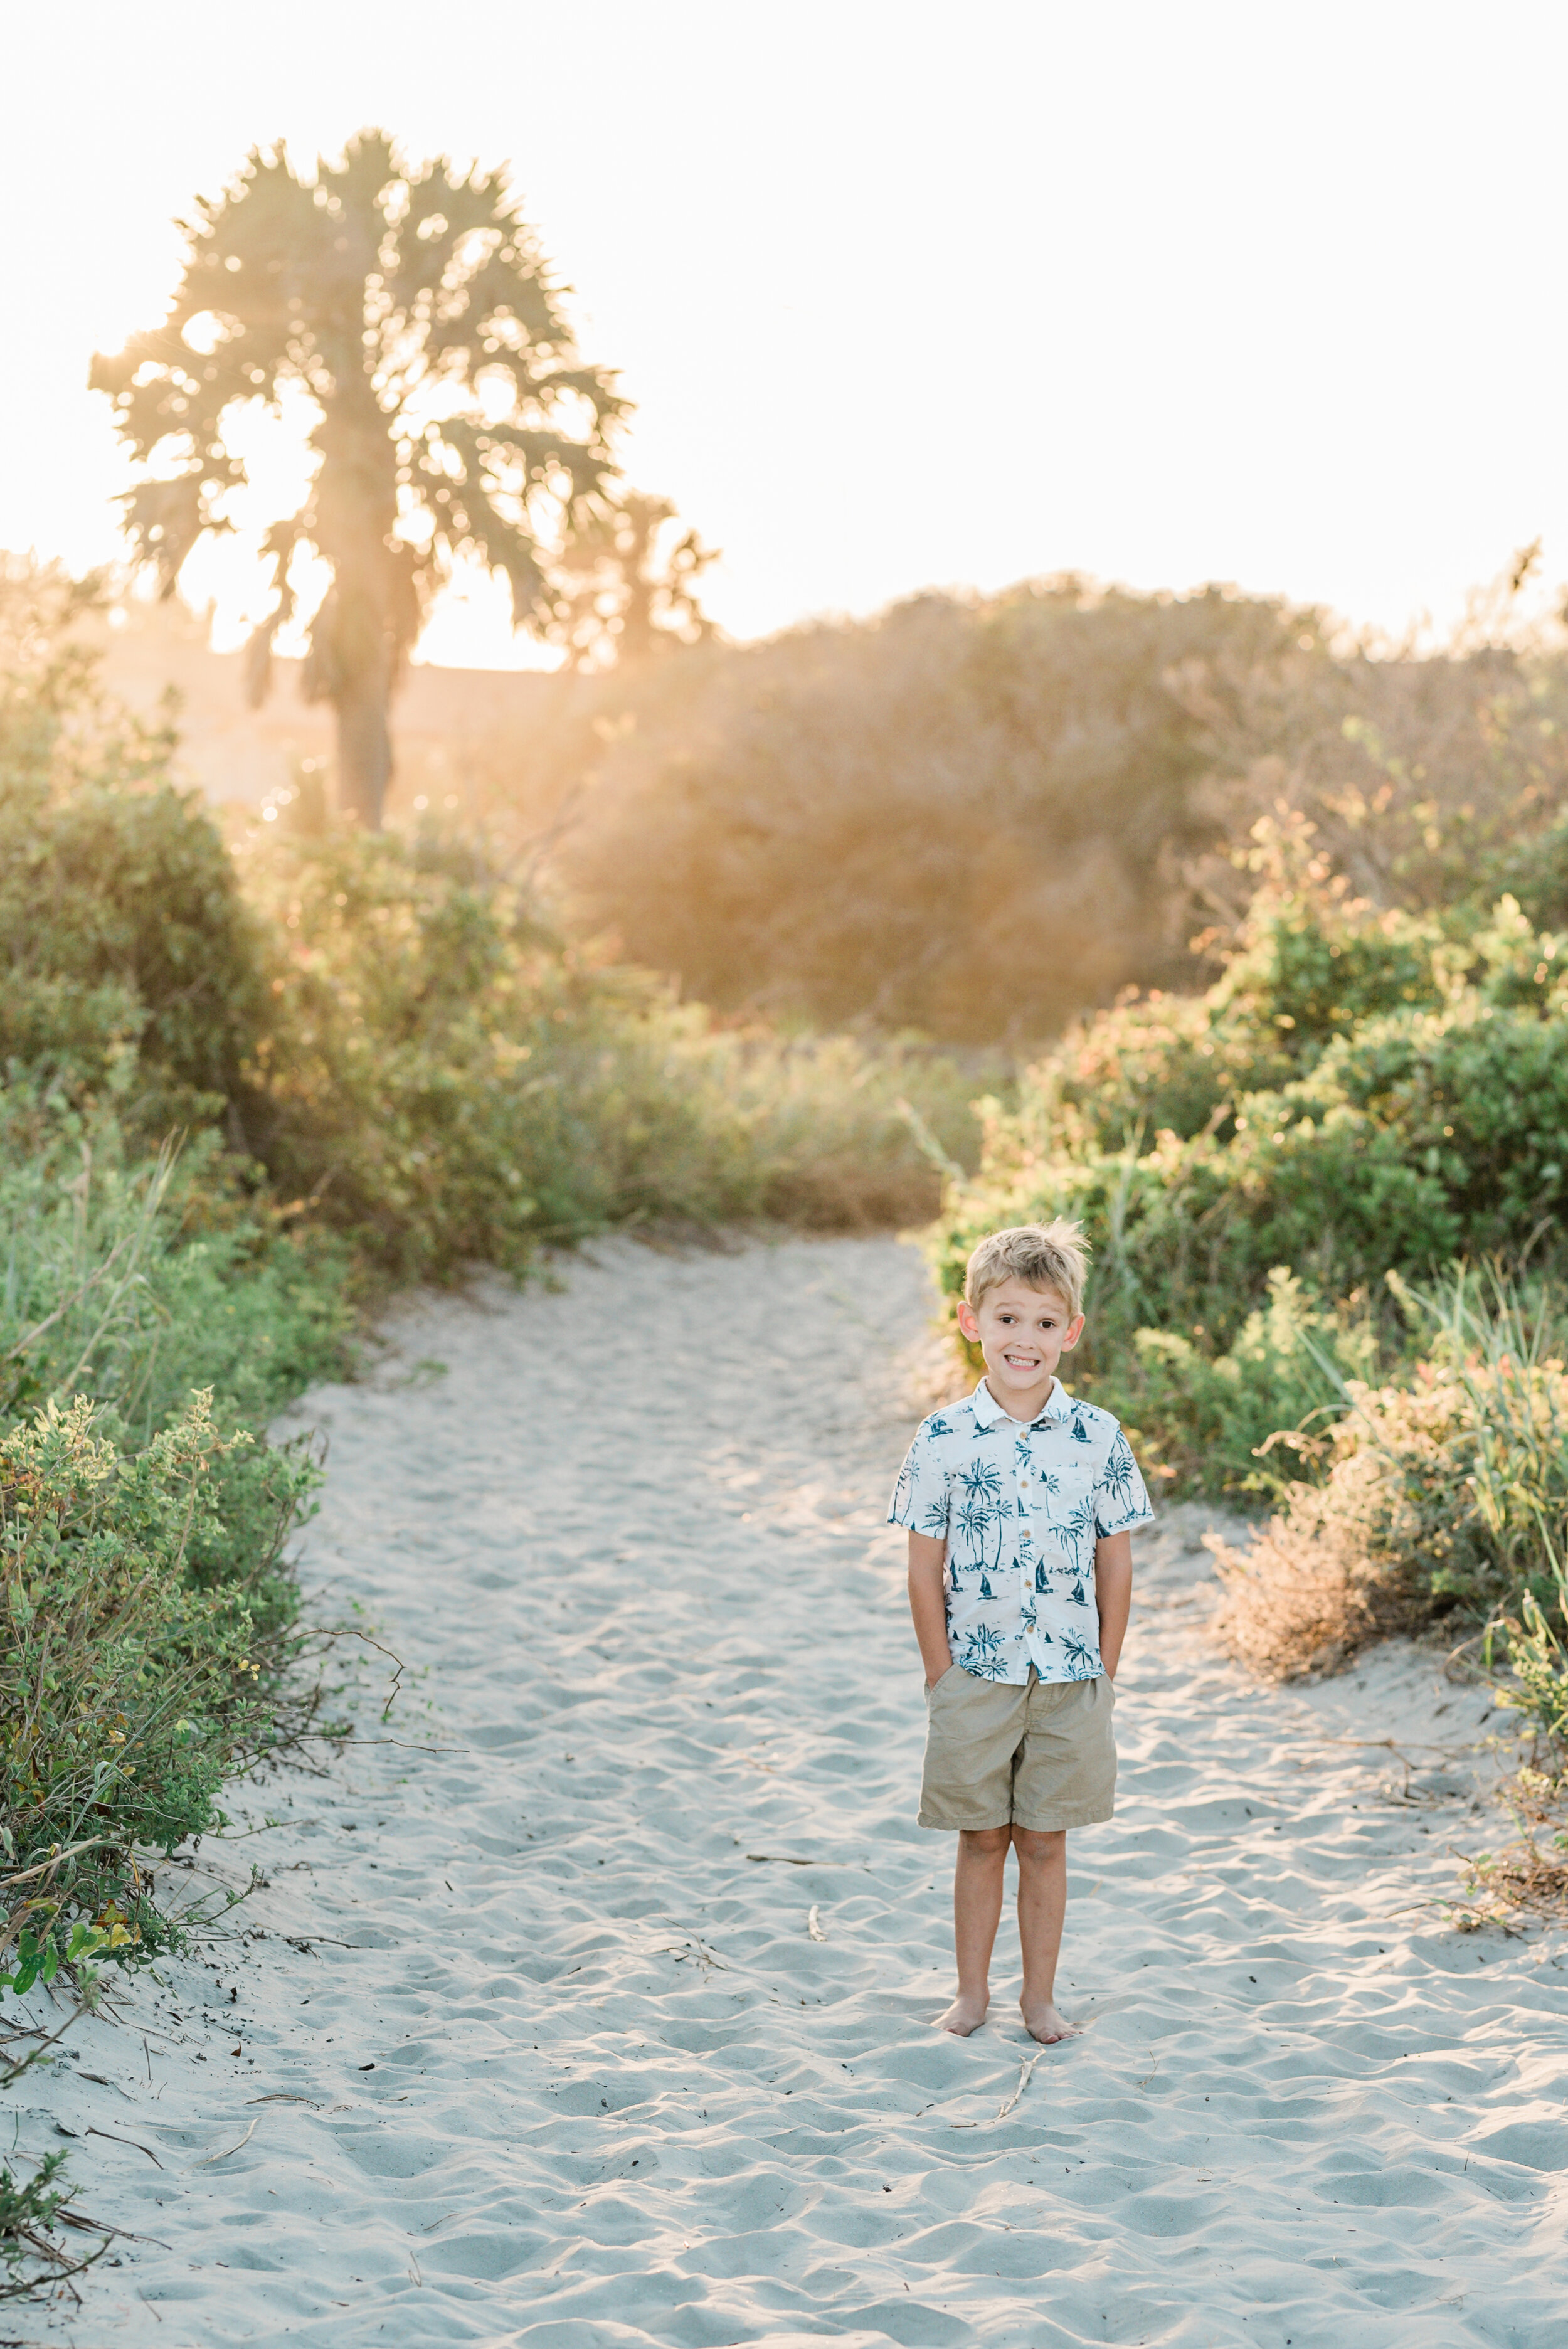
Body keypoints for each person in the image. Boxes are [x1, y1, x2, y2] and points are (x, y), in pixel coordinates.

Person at [889, 1221, 1154, 2042]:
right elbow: (921, 1565)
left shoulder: (1098, 1436)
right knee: (982, 1835)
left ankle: (1039, 1997)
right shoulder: (941, 1438)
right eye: (1006, 1318)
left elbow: (1117, 1562)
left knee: (1044, 1838)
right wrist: (942, 1673)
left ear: (1069, 1332)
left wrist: (1102, 1666)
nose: (1024, 1339)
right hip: (975, 1670)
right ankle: (973, 1993)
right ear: (971, 1322)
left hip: (1071, 1674)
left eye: (1044, 1322)